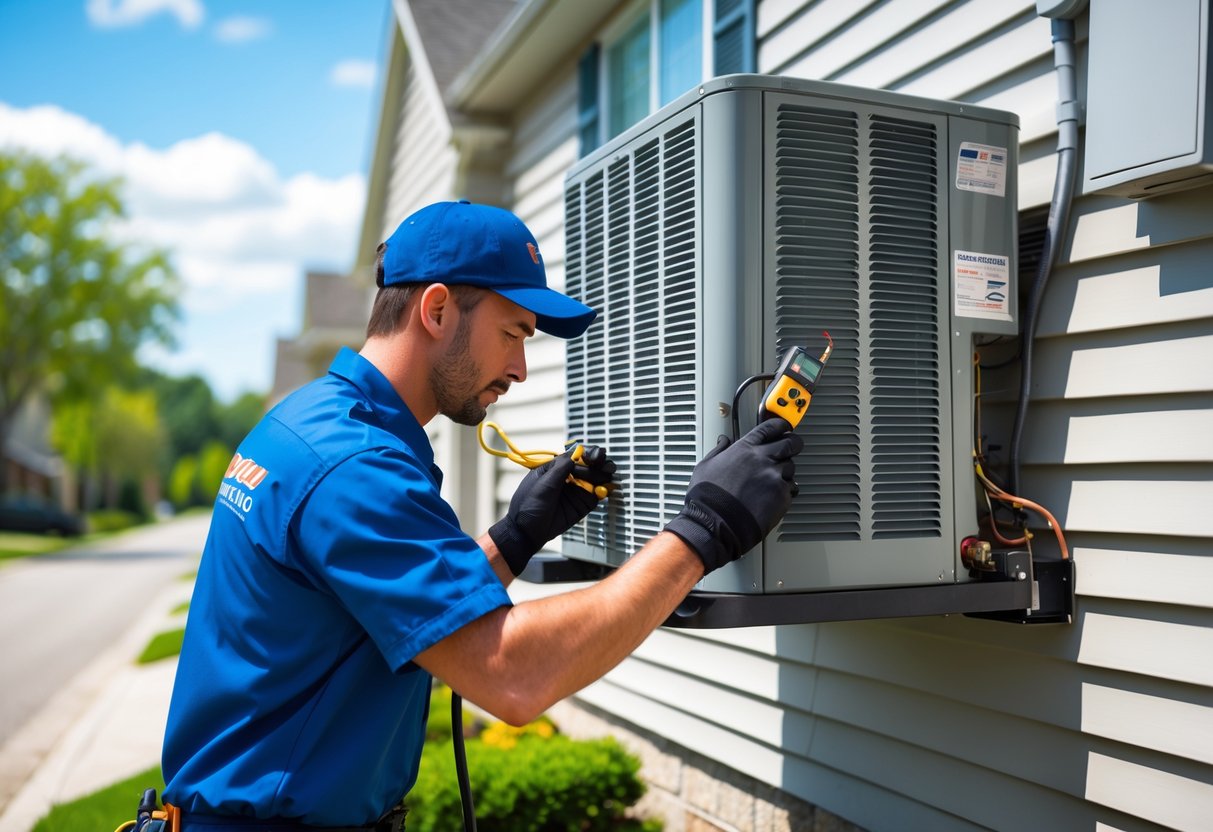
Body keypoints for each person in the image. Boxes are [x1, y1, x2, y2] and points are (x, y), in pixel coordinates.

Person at [161, 200, 803, 831]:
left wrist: (514, 539)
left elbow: (401, 618)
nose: (521, 370)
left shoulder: (312, 425)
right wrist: (703, 530)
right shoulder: (355, 469)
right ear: (436, 309)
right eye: (512, 334)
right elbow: (511, 676)